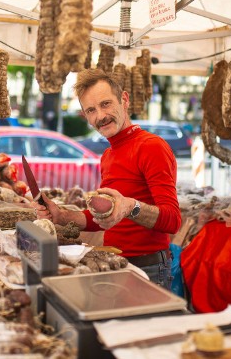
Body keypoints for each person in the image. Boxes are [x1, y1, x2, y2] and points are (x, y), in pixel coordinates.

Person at [34, 69, 181, 289]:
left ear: (124, 99)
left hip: (147, 268)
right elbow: (102, 219)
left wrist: (130, 206)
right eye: (91, 110)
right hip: (115, 264)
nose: (100, 116)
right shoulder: (108, 155)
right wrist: (61, 215)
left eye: (105, 104)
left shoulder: (151, 147)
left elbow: (173, 220)